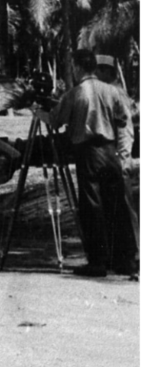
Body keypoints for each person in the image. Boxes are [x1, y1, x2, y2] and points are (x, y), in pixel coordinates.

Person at [48, 49, 137, 278]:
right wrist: (123, 153)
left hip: (88, 152)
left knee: (92, 206)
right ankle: (124, 260)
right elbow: (123, 121)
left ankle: (97, 261)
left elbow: (55, 120)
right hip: (110, 151)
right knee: (116, 205)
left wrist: (40, 113)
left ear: (78, 67)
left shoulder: (75, 93)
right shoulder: (112, 91)